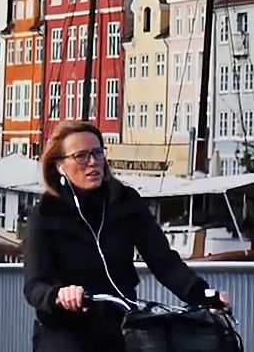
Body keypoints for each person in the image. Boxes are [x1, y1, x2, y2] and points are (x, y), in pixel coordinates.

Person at [23, 121, 230, 352]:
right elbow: (35, 285)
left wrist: (203, 294)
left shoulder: (125, 202)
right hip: (65, 329)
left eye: (97, 153)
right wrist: (59, 295)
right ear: (60, 166)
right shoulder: (45, 214)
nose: (92, 162)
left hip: (120, 323)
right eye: (81, 156)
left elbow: (164, 262)